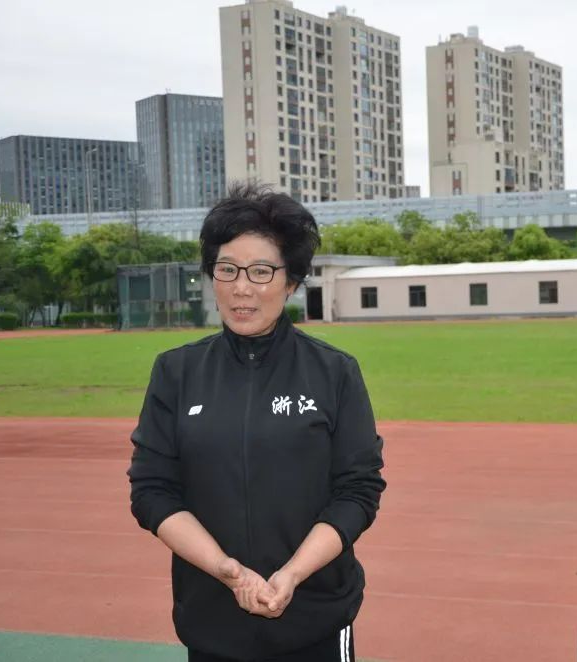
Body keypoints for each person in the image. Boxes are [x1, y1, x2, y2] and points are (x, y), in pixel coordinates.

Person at [128, 184, 385, 662]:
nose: (242, 288)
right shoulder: (177, 372)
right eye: (227, 269)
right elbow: (152, 491)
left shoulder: (334, 372)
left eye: (261, 272)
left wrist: (292, 574)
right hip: (212, 621)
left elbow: (358, 491)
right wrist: (226, 570)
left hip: (315, 618)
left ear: (291, 282)